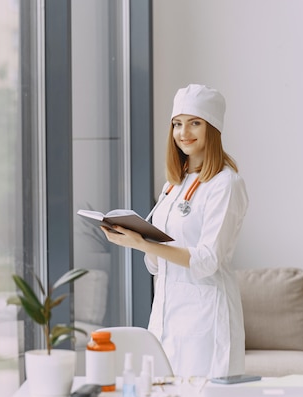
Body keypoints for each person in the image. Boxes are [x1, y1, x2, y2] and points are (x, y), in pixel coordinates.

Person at [102, 84, 248, 378]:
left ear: (213, 129)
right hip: (167, 313)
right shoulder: (173, 185)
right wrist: (139, 239)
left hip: (206, 319)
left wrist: (142, 244)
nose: (184, 132)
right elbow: (157, 263)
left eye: (195, 122)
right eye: (177, 124)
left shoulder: (225, 184)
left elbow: (207, 260)